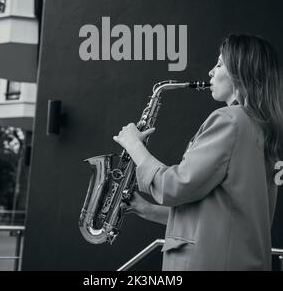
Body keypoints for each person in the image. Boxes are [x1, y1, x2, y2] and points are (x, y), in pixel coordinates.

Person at [113, 34, 283, 271]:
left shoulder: (231, 121)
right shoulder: (261, 128)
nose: (211, 72)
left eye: (220, 64)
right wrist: (148, 210)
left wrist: (135, 147)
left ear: (241, 72)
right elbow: (222, 215)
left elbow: (176, 186)